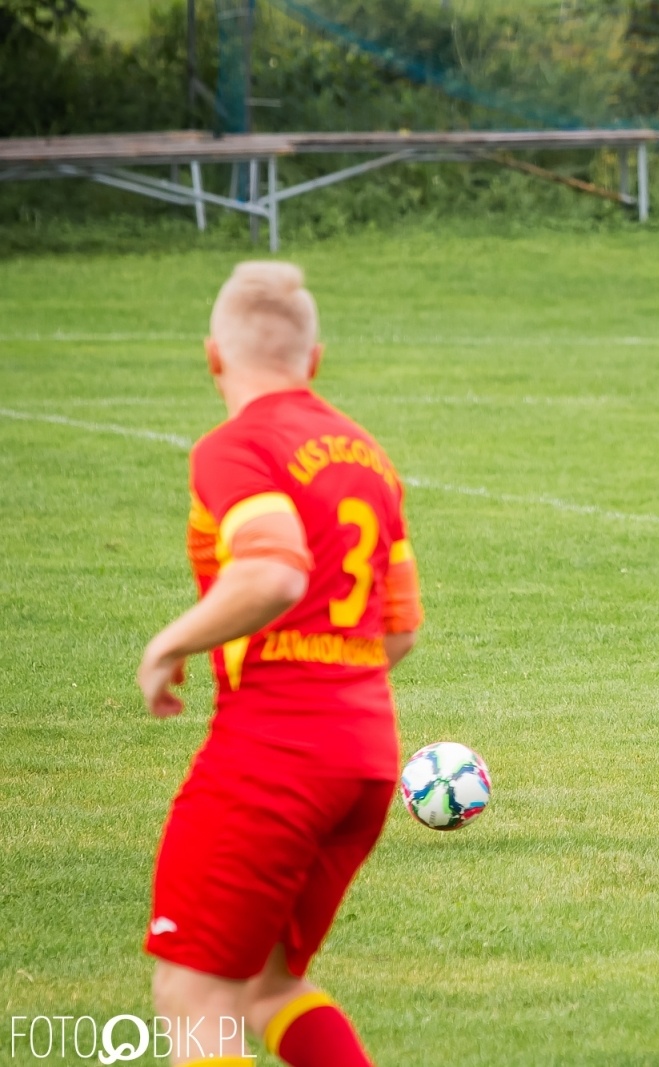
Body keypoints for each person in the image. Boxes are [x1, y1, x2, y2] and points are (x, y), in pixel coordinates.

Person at [136, 262, 422, 1067]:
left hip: (271, 758)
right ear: (316, 359)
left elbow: (273, 568)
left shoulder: (236, 446)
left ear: (213, 357)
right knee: (266, 986)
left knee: (195, 995)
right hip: (364, 757)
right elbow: (397, 631)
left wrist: (169, 644)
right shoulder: (367, 454)